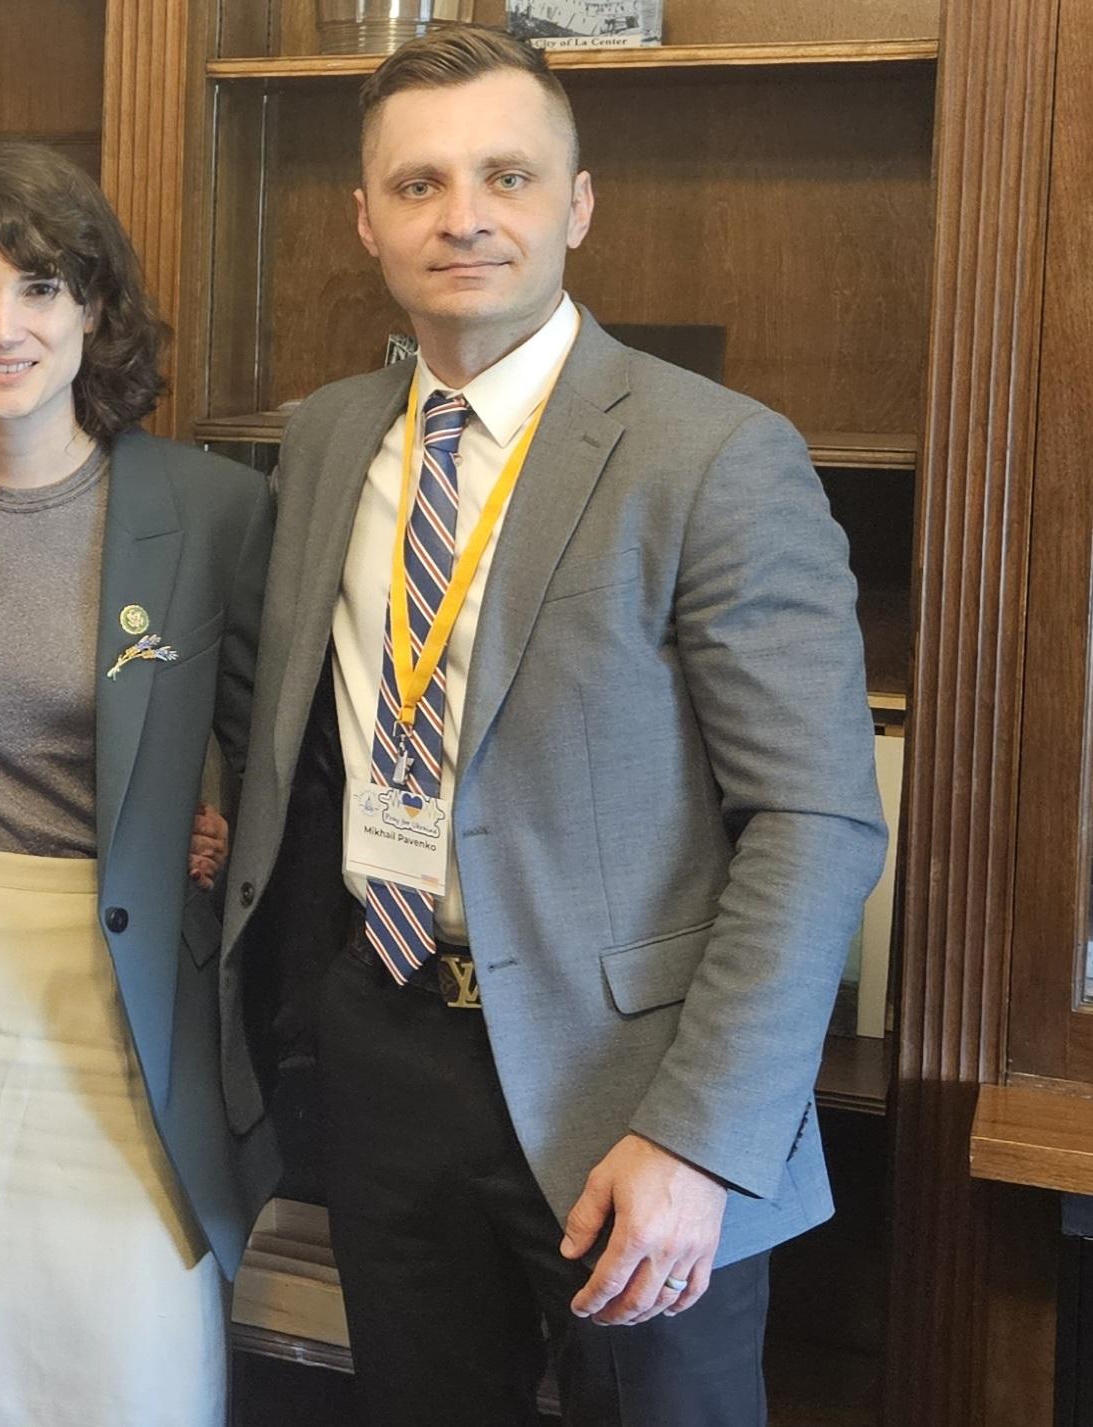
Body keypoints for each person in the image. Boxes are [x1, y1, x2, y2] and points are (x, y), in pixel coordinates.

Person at [213, 28, 887, 1427]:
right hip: (380, 1049)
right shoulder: (328, 435)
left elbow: (812, 823)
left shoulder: (712, 454)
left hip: (624, 1090)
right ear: (365, 220)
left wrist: (696, 1139)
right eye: (418, 183)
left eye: (506, 175)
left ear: (574, 205)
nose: (463, 214)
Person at [0, 143, 276, 1427]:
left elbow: (271, 735)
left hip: (117, 987)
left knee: (122, 1345)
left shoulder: (211, 506)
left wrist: (222, 826)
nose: (3, 324)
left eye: (39, 287)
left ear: (94, 308)